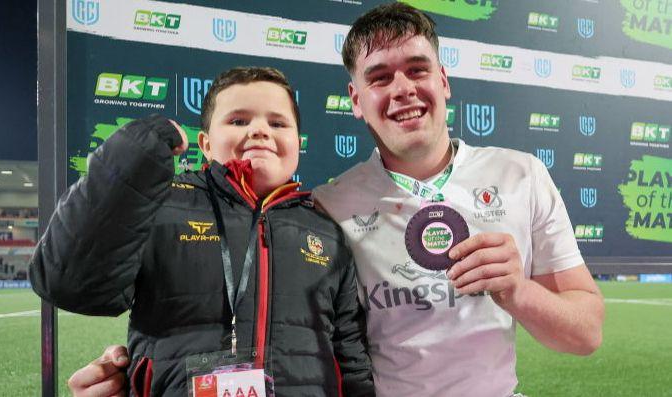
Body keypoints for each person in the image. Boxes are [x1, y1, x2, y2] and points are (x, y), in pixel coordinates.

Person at [69, 3, 604, 397]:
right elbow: (249, 307)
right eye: (379, 77)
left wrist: (519, 293)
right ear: (355, 100)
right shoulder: (328, 207)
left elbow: (586, 335)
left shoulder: (521, 174)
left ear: (443, 80)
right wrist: (142, 370)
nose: (402, 89)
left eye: (417, 69)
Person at [30, 67, 374, 397]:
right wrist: (128, 164)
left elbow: (350, 358)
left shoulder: (326, 230)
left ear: (298, 143)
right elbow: (71, 284)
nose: (259, 130)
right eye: (238, 120)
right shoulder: (163, 204)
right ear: (206, 144)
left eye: (277, 122)